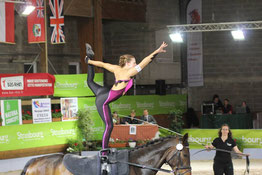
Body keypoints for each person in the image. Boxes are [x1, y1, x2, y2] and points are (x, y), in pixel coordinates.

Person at [85, 42, 167, 150]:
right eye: (134, 62)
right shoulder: (129, 72)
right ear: (128, 63)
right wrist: (157, 51)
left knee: (90, 82)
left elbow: (102, 64)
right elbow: (146, 61)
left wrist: (90, 61)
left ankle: (89, 57)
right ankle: (104, 152)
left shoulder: (116, 68)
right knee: (109, 126)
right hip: (103, 100)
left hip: (102, 92)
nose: (135, 64)